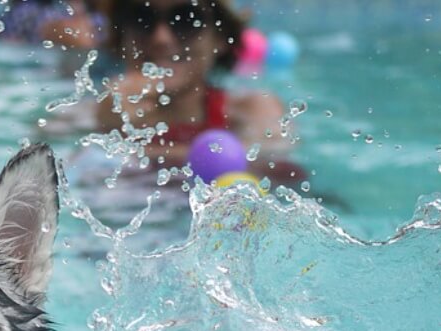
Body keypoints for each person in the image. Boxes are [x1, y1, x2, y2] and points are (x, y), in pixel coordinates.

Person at [96, 0, 306, 189]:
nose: (161, 38)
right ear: (122, 36)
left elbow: (281, 173)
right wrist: (107, 127)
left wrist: (124, 152)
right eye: (142, 19)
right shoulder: (99, 113)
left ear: (220, 38)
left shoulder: (251, 111)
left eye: (187, 19)